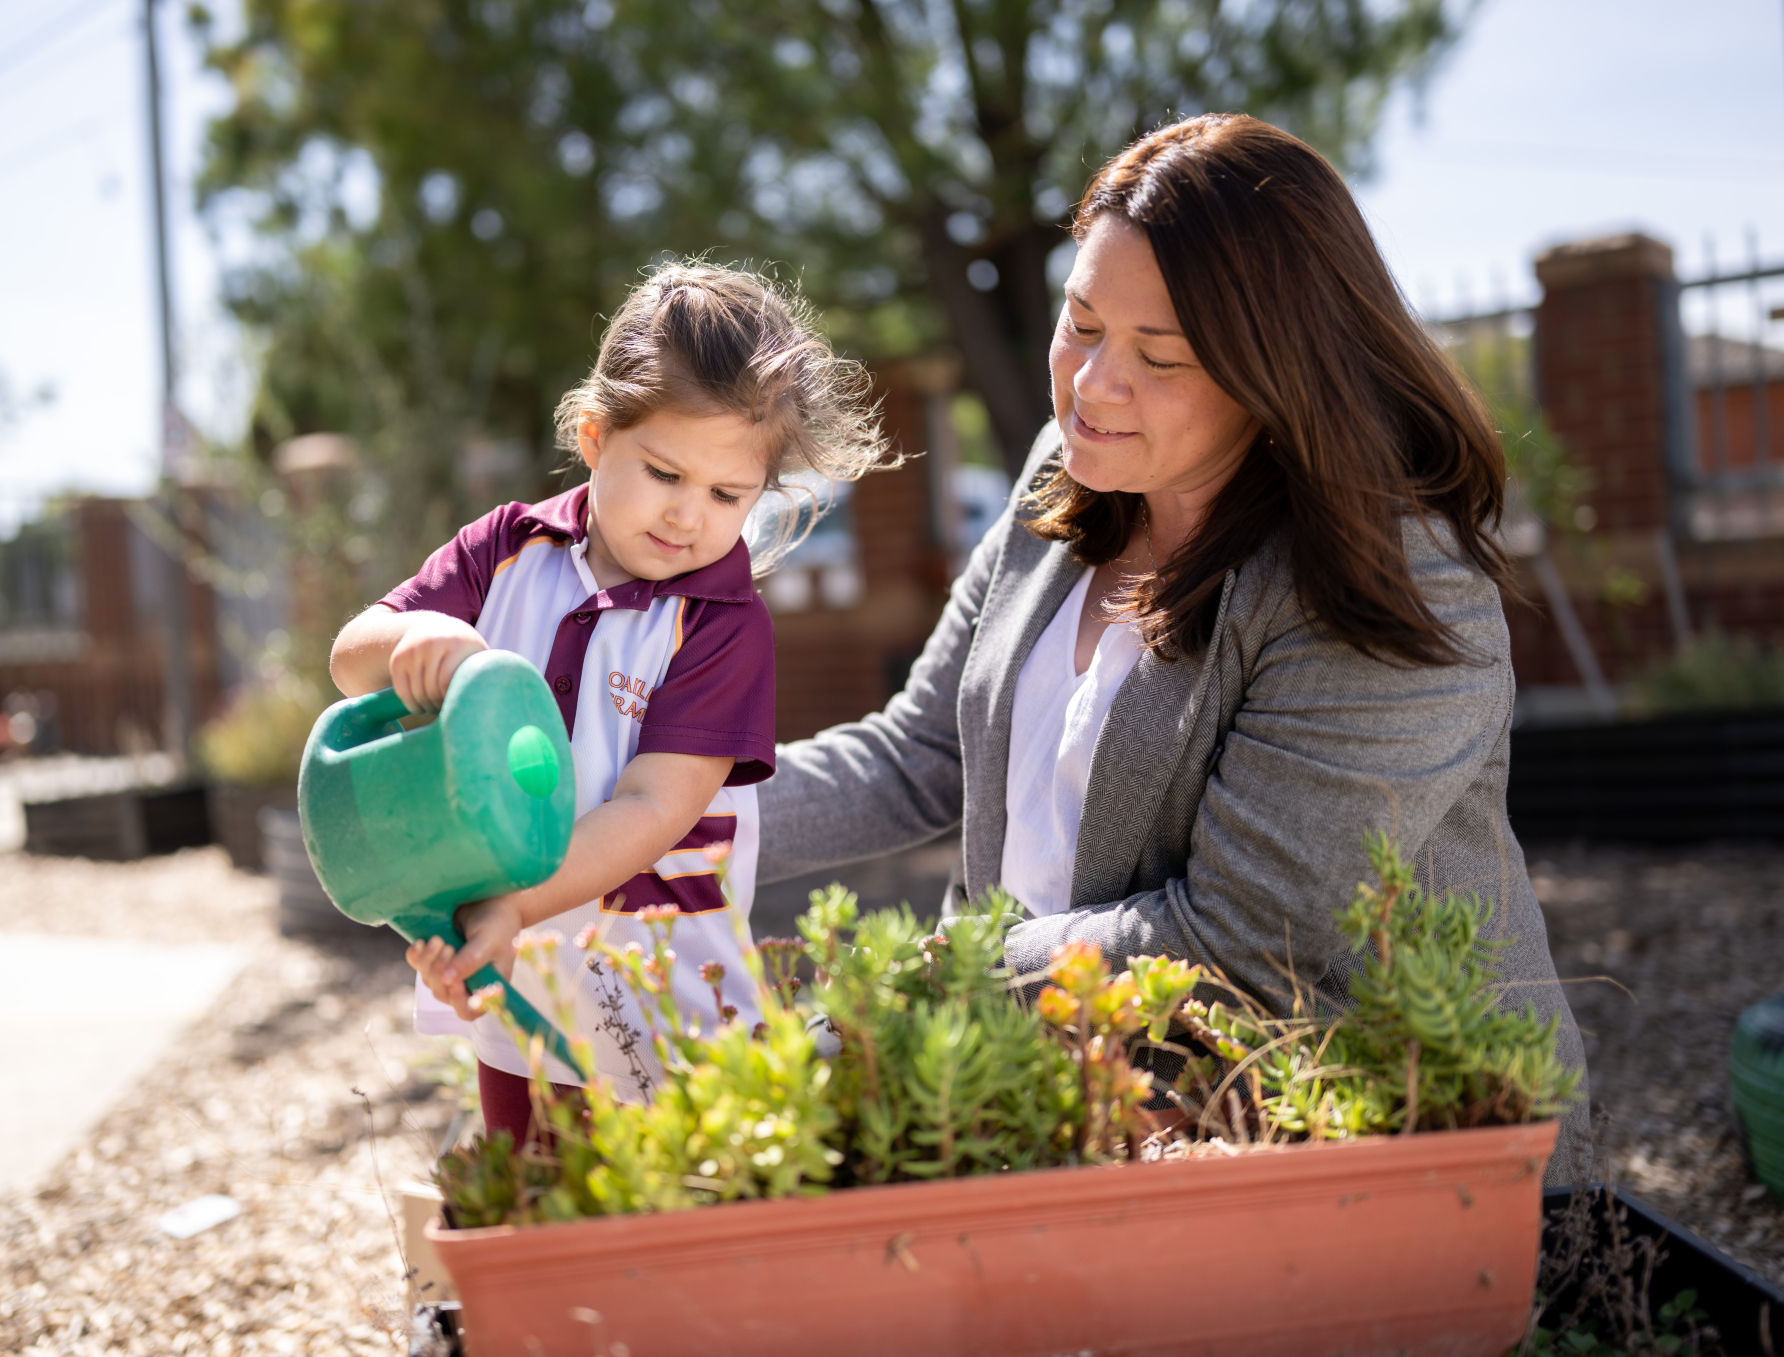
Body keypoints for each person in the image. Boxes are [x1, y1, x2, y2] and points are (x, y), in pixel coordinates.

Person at [754, 114, 1591, 1180]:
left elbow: (1236, 941)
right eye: (1080, 322)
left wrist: (939, 978)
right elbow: (922, 754)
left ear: (1272, 370)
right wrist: (659, 819)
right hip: (1082, 1117)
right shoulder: (1067, 475)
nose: (1094, 384)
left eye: (1161, 356)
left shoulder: (1384, 580)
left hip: (1382, 1169)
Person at [329, 261, 887, 1145]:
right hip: (509, 957)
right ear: (594, 437)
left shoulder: (721, 622)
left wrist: (511, 905)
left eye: (726, 494)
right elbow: (349, 658)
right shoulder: (506, 549)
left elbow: (652, 806)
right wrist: (405, 644)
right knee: (528, 1180)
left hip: (663, 979)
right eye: (663, 472)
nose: (687, 516)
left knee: (673, 1206)